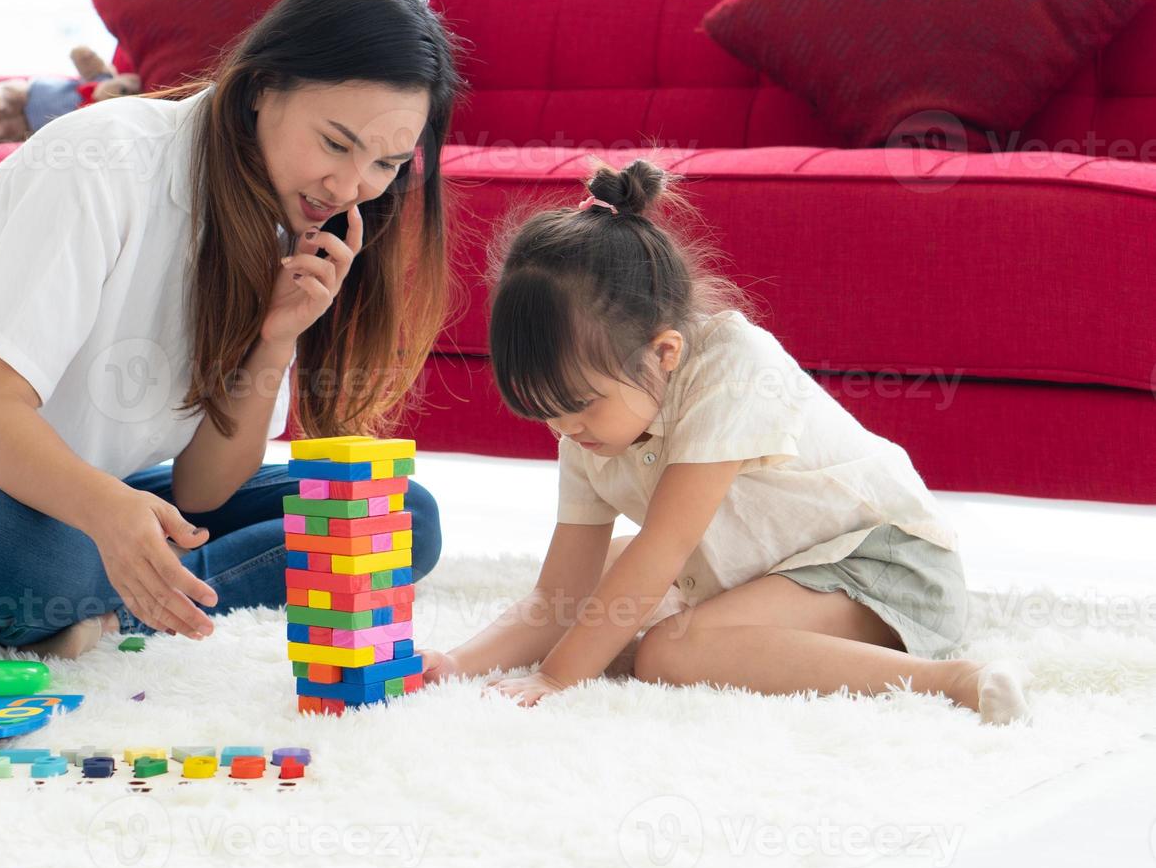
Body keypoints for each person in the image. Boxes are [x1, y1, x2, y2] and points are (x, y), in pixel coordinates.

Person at [0, 0, 463, 657]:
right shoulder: (103, 160)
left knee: (389, 518)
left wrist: (273, 343)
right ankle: (129, 591)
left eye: (386, 163)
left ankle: (116, 608)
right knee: (52, 551)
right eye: (334, 143)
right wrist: (107, 514)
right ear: (263, 88)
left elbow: (203, 491)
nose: (351, 186)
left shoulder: (285, 216)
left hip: (82, 499)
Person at [419, 159, 1032, 725]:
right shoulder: (590, 414)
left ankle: (951, 681)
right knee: (601, 584)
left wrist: (557, 678)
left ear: (664, 353)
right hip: (765, 572)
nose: (565, 432)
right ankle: (731, 630)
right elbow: (558, 592)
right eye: (548, 415)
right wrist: (455, 663)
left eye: (578, 409)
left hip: (883, 568)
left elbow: (665, 546)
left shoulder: (734, 366)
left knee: (670, 651)